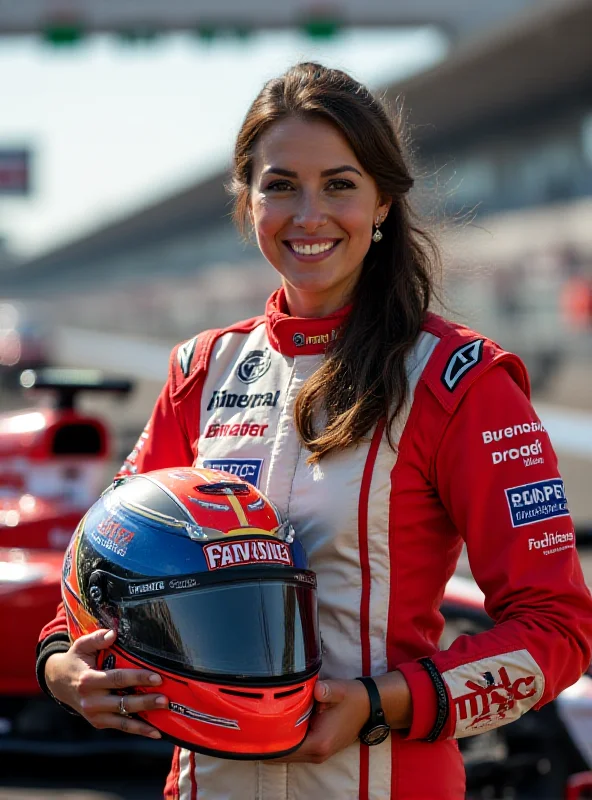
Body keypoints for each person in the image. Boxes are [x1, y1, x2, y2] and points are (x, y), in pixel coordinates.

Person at [37, 62, 592, 800]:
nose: (308, 214)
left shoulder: (460, 379)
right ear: (246, 202)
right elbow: (93, 569)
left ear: (383, 202)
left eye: (339, 183)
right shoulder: (202, 371)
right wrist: (63, 668)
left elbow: (558, 631)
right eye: (280, 185)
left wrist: (379, 703)